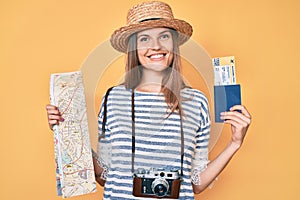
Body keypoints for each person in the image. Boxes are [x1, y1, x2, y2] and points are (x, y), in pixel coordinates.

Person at [46, 1, 251, 199]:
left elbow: (196, 183)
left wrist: (234, 143)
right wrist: (67, 130)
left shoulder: (196, 102)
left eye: (164, 36)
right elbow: (103, 174)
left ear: (174, 44)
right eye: (144, 39)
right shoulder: (113, 98)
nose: (155, 46)